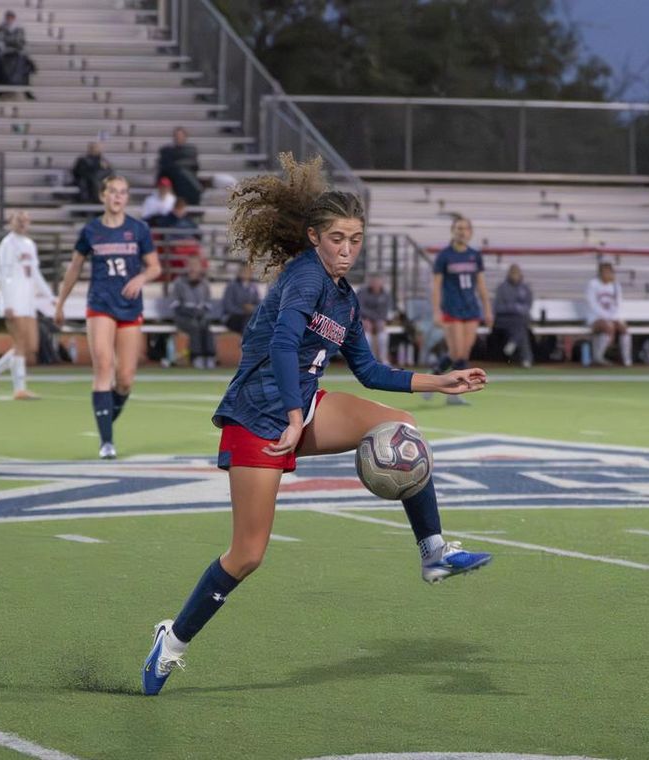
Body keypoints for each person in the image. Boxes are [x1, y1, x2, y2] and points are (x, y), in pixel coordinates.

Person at [140, 155, 492, 697]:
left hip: (300, 408)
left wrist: (441, 381)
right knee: (248, 554)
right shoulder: (304, 276)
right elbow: (283, 343)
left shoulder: (345, 299)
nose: (346, 249)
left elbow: (371, 372)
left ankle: (434, 553)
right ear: (314, 238)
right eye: (336, 239)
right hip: (259, 417)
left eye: (355, 239)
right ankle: (173, 639)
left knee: (401, 426)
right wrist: (290, 414)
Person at [54, 175, 160, 459]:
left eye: (123, 192)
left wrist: (141, 278)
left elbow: (154, 267)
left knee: (125, 378)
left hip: (129, 306)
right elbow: (74, 269)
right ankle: (106, 442)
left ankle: (105, 419)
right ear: (103, 196)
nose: (117, 197)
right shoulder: (91, 231)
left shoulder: (138, 230)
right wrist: (60, 303)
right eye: (112, 192)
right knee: (103, 365)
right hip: (100, 305)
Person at [0, 210, 53, 399]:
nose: (22, 224)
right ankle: (19, 388)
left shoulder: (29, 244)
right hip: (13, 300)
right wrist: (8, 303)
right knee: (20, 343)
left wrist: (50, 296)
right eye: (18, 220)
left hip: (28, 300)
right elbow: (4, 276)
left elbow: (35, 273)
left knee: (32, 346)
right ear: (11, 222)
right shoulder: (7, 245)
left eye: (25, 220)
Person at [427, 216, 492, 404]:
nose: (461, 232)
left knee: (462, 353)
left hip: (471, 308)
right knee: (458, 354)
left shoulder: (475, 255)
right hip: (452, 308)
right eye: (458, 228)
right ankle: (454, 394)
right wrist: (436, 311)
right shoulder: (444, 256)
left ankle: (435, 376)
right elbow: (437, 286)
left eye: (465, 228)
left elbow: (481, 285)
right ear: (452, 231)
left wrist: (487, 309)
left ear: (470, 233)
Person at [172, 256, 217, 369]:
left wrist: (200, 312)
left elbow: (208, 303)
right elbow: (175, 304)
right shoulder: (179, 283)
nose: (193, 268)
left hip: (200, 316)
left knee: (206, 326)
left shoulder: (204, 284)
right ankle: (197, 357)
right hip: (183, 317)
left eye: (196, 265)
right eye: (191, 265)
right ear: (187, 267)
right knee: (195, 327)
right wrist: (190, 311)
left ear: (200, 268)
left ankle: (210, 356)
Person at [585, 261, 631, 367]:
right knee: (608, 326)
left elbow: (618, 303)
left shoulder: (616, 285)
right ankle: (598, 358)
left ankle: (627, 360)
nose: (607, 274)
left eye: (609, 272)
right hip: (595, 318)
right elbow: (592, 304)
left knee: (623, 328)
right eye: (605, 272)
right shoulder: (593, 284)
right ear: (600, 273)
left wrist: (613, 317)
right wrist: (606, 317)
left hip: (612, 316)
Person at [493, 263, 534, 368]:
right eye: (513, 274)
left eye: (517, 274)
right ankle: (526, 358)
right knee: (521, 328)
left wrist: (519, 309)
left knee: (521, 325)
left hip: (519, 319)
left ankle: (514, 343)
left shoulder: (525, 288)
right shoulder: (502, 288)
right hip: (504, 319)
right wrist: (513, 308)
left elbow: (528, 306)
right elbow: (497, 307)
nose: (515, 276)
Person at [156, 126, 202, 206]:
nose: (178, 138)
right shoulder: (166, 150)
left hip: (185, 177)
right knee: (180, 172)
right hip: (170, 175)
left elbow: (193, 164)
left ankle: (189, 199)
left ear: (185, 137)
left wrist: (176, 165)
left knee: (182, 173)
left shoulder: (191, 150)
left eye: (180, 136)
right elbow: (164, 164)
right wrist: (177, 166)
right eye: (176, 136)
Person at [0, 10, 35, 93]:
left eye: (11, 17)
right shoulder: (0, 28)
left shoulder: (19, 29)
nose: (9, 19)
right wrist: (10, 42)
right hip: (5, 54)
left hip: (16, 53)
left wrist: (8, 41)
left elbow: (20, 42)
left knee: (24, 66)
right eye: (8, 17)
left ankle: (24, 88)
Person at [359, 273, 393, 363]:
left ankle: (383, 358)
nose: (376, 284)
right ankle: (367, 358)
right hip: (364, 319)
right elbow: (360, 308)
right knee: (366, 328)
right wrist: (369, 319)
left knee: (382, 328)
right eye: (374, 282)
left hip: (378, 319)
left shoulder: (386, 295)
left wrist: (378, 320)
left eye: (378, 282)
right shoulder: (362, 292)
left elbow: (385, 311)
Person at [220, 263, 260, 335]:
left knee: (253, 320)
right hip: (233, 317)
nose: (245, 273)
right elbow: (228, 306)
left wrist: (252, 308)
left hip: (248, 316)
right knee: (248, 320)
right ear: (239, 272)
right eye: (243, 271)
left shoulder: (253, 287)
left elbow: (259, 304)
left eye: (248, 271)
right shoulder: (231, 286)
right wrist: (243, 311)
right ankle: (246, 342)